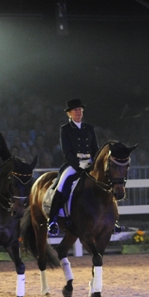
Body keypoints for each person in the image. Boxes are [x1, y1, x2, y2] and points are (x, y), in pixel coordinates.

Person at [47, 99, 99, 236]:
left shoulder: (89, 128)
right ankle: (52, 220)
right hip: (74, 163)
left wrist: (95, 163)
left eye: (80, 110)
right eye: (75, 110)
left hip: (90, 162)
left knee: (104, 183)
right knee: (61, 185)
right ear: (69, 114)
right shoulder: (65, 129)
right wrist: (78, 165)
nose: (78, 112)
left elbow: (95, 148)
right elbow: (67, 151)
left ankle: (111, 220)